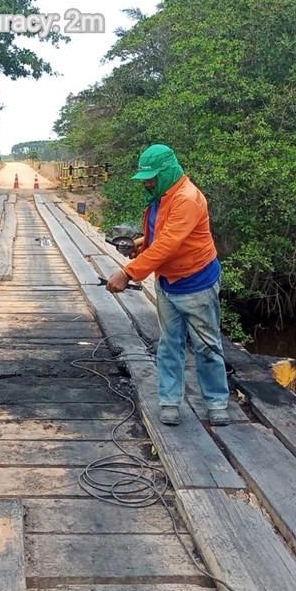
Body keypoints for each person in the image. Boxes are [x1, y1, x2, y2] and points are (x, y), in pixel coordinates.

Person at [105, 144, 230, 426]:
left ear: (168, 171)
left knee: (207, 345)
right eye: (145, 177)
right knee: (169, 345)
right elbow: (159, 236)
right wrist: (139, 245)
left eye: (152, 176)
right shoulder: (161, 197)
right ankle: (169, 401)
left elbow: (169, 243)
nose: (147, 182)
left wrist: (127, 273)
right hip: (168, 283)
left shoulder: (187, 199)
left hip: (197, 282)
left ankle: (216, 402)